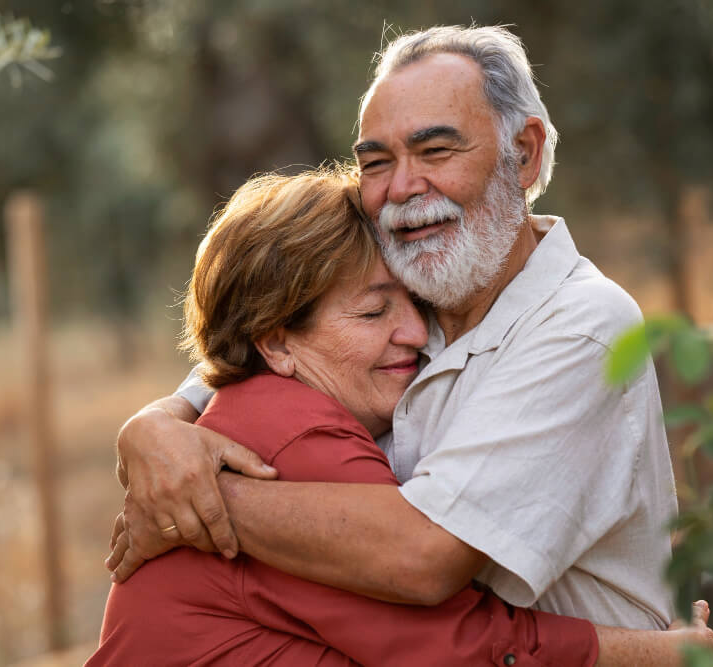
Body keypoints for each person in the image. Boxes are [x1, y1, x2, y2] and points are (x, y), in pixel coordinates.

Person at [110, 25, 677, 631]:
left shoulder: (583, 327)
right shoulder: (416, 286)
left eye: (436, 152)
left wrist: (196, 501)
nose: (403, 188)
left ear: (525, 154)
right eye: (377, 163)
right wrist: (155, 425)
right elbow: (260, 345)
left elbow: (424, 558)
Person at [89, 167, 713, 666]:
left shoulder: (256, 404)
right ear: (277, 342)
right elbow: (452, 648)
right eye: (372, 314)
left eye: (414, 304)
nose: (413, 334)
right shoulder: (298, 434)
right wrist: (661, 655)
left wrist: (167, 431)